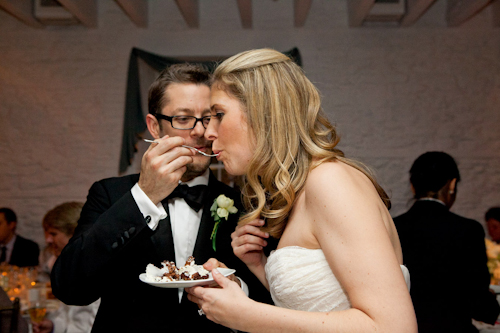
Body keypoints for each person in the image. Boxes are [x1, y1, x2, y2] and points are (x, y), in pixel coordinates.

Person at [186, 48, 417, 332]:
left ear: (263, 113)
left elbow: (394, 327)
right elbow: (319, 307)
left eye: (218, 114)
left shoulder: (331, 180)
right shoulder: (303, 190)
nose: (207, 133)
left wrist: (247, 315)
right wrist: (259, 264)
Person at [50, 63, 273, 332]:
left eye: (208, 117)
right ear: (155, 127)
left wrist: (239, 289)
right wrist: (144, 197)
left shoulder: (247, 203)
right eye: (182, 119)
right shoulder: (110, 194)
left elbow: (275, 304)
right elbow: (71, 288)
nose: (200, 131)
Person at [393, 151, 499, 333]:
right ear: (452, 184)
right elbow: (478, 301)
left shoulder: (394, 227)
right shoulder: (468, 229)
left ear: (413, 186)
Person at [33, 201, 100, 333]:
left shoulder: (91, 268)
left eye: (53, 234)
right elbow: (67, 314)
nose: (48, 240)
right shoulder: (70, 263)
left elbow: (86, 327)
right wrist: (53, 326)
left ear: (74, 233)